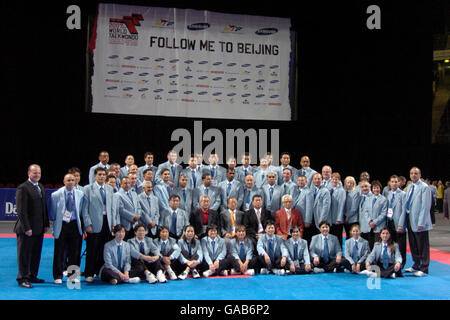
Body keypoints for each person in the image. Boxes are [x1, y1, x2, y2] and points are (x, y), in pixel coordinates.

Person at [15, 164, 50, 288]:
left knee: (36, 253)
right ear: (29, 173)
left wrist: (46, 224)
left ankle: (32, 275)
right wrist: (26, 227)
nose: (37, 175)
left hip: (39, 228)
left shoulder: (40, 186)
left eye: (39, 173)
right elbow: (21, 210)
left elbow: (43, 208)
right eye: (35, 173)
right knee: (24, 254)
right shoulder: (23, 188)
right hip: (27, 229)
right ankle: (22, 278)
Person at [82, 167, 116, 282]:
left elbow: (112, 208)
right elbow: (84, 209)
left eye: (103, 174)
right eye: (99, 174)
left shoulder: (110, 189)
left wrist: (113, 224)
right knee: (92, 249)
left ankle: (99, 271)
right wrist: (87, 224)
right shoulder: (88, 189)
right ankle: (89, 273)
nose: (102, 176)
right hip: (94, 223)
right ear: (95, 176)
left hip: (107, 222)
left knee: (104, 249)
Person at [50, 173, 84, 284]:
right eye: (68, 180)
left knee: (75, 251)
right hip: (62, 225)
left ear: (75, 182)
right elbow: (53, 213)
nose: (70, 182)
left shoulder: (80, 194)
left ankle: (72, 275)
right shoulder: (56, 195)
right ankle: (58, 276)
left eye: (72, 180)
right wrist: (55, 227)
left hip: (74, 225)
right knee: (59, 251)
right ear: (64, 181)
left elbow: (81, 212)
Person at [403, 167, 432, 277]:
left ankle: (424, 268)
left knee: (422, 245)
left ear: (420, 175)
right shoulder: (410, 186)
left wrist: (421, 222)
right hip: (410, 218)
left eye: (416, 173)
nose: (413, 175)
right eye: (411, 173)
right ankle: (416, 264)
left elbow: (425, 206)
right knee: (413, 243)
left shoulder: (424, 187)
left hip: (420, 221)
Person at [385, 175, 407, 268]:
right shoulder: (387, 194)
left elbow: (404, 210)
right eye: (392, 181)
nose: (394, 183)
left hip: (399, 223)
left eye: (396, 181)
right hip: (389, 222)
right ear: (389, 183)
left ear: (399, 183)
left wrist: (401, 224)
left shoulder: (402, 194)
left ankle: (401, 263)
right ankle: (393, 261)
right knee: (391, 243)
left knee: (401, 245)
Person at [360, 180, 387, 250]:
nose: (376, 190)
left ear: (380, 189)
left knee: (377, 245)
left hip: (378, 226)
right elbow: (365, 211)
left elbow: (384, 213)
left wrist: (374, 222)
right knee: (369, 245)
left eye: (377, 188)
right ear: (372, 189)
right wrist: (369, 221)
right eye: (374, 188)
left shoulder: (384, 199)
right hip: (369, 226)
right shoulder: (368, 199)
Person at [292, 175, 314, 244]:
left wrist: (308, 221)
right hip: (296, 218)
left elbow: (309, 207)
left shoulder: (309, 192)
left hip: (304, 219)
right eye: (299, 180)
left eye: (302, 180)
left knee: (305, 238)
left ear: (306, 181)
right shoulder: (295, 190)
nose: (300, 182)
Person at [328, 173, 346, 245]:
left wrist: (339, 219)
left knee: (337, 236)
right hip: (330, 218)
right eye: (333, 179)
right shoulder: (329, 189)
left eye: (336, 179)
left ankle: (339, 253)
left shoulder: (342, 191)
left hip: (337, 219)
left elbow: (341, 205)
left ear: (339, 180)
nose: (334, 181)